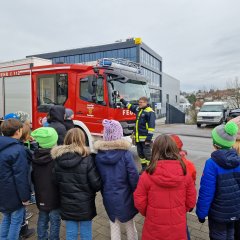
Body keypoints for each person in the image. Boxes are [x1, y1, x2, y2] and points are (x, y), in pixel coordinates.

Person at [134, 134, 196, 240]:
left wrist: (149, 213)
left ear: (155, 151)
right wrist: (180, 210)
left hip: (154, 228)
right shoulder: (185, 173)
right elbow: (191, 201)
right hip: (178, 228)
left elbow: (139, 201)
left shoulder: (147, 175)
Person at [51, 128, 101, 240]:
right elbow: (96, 184)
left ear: (66, 140)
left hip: (66, 202)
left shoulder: (57, 159)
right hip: (85, 203)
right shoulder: (88, 159)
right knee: (86, 231)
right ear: (82, 140)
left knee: (70, 231)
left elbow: (55, 181)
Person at [94, 119, 139, 240]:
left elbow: (98, 177)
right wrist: (136, 192)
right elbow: (133, 176)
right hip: (126, 196)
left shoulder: (98, 156)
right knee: (130, 224)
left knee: (114, 225)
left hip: (108, 195)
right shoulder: (125, 154)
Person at [196, 121, 240, 240]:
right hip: (235, 211)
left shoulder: (212, 164)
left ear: (215, 144)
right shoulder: (238, 160)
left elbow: (206, 191)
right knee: (230, 234)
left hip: (218, 214)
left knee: (218, 236)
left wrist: (201, 213)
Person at [0, 119, 31, 240]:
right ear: (18, 131)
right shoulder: (18, 150)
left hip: (2, 192)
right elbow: (21, 177)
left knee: (6, 218)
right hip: (14, 194)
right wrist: (25, 197)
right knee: (16, 221)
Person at [31, 127, 61, 240]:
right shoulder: (57, 159)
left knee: (42, 218)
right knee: (55, 221)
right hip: (55, 197)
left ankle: (42, 237)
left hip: (41, 195)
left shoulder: (34, 157)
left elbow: (33, 177)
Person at [120, 96, 156, 171]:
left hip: (146, 139)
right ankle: (144, 169)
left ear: (146, 103)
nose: (139, 104)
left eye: (141, 102)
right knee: (140, 154)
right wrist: (122, 99)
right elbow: (129, 106)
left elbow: (151, 127)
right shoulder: (138, 109)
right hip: (138, 138)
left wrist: (148, 139)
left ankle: (150, 170)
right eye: (139, 102)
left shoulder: (150, 112)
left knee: (148, 155)